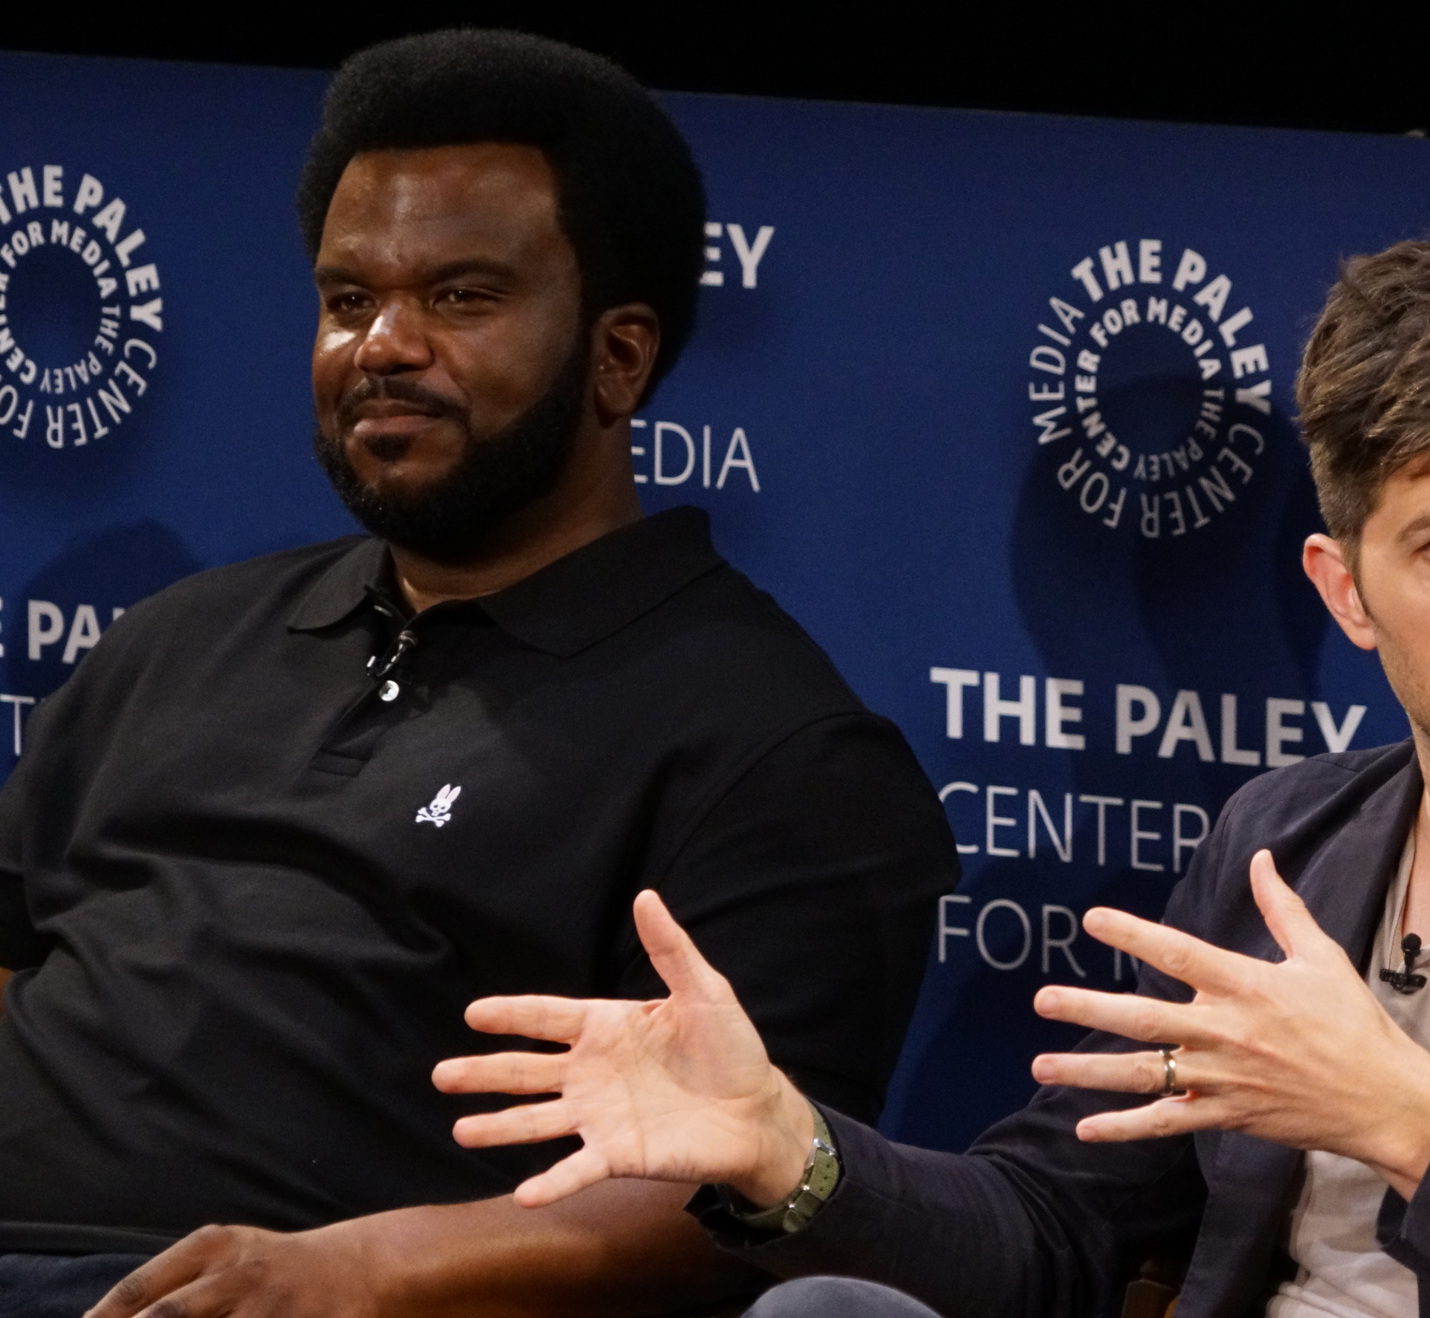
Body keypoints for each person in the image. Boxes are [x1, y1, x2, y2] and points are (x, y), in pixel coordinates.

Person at [436, 225, 1430, 1318]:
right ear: (1346, 592)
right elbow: (1048, 1223)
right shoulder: (1286, 843)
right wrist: (790, 1151)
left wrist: (1405, 1115)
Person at [0, 30, 957, 1318]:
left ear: (619, 357)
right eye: (348, 301)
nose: (382, 346)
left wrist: (361, 1272)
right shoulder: (181, 636)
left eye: (460, 297)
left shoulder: (778, 752)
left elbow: (747, 1191)